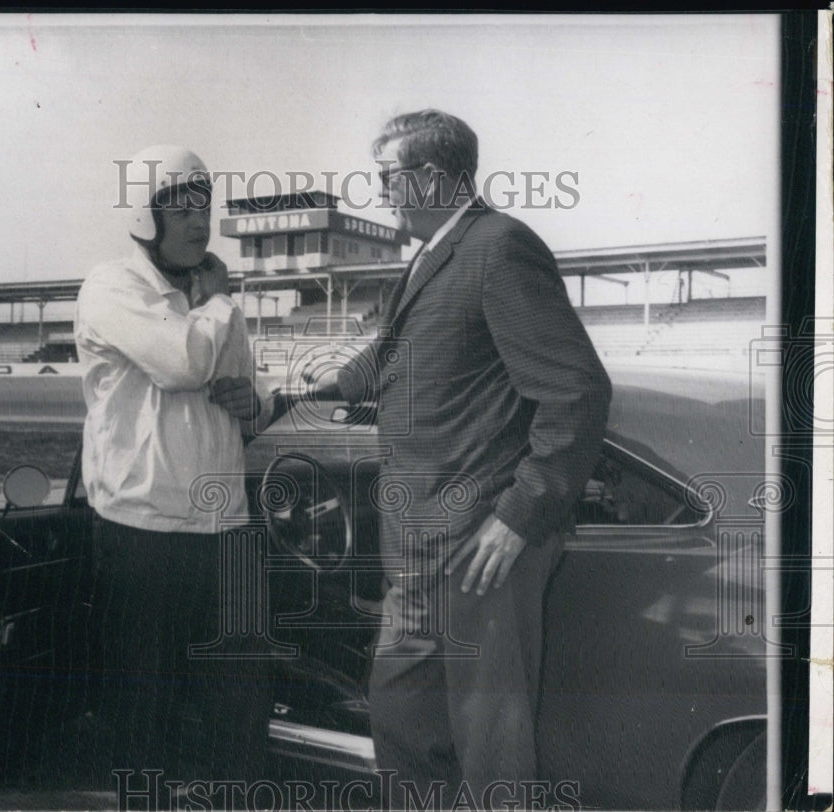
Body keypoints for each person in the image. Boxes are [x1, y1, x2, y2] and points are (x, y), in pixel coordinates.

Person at [321, 111, 612, 809]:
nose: (381, 192)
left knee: (491, 751)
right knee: (402, 720)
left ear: (428, 177)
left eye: (388, 177)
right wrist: (323, 387)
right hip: (419, 540)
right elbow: (401, 349)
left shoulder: (500, 247)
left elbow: (577, 392)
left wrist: (517, 516)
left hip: (480, 546)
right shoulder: (434, 254)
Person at [73, 144, 274, 791]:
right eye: (180, 209)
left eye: (205, 207)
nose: (199, 222)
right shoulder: (112, 286)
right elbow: (182, 363)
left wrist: (255, 402)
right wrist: (218, 301)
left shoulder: (214, 301)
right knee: (144, 719)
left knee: (240, 714)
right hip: (144, 534)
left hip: (227, 531)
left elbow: (247, 393)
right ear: (144, 218)